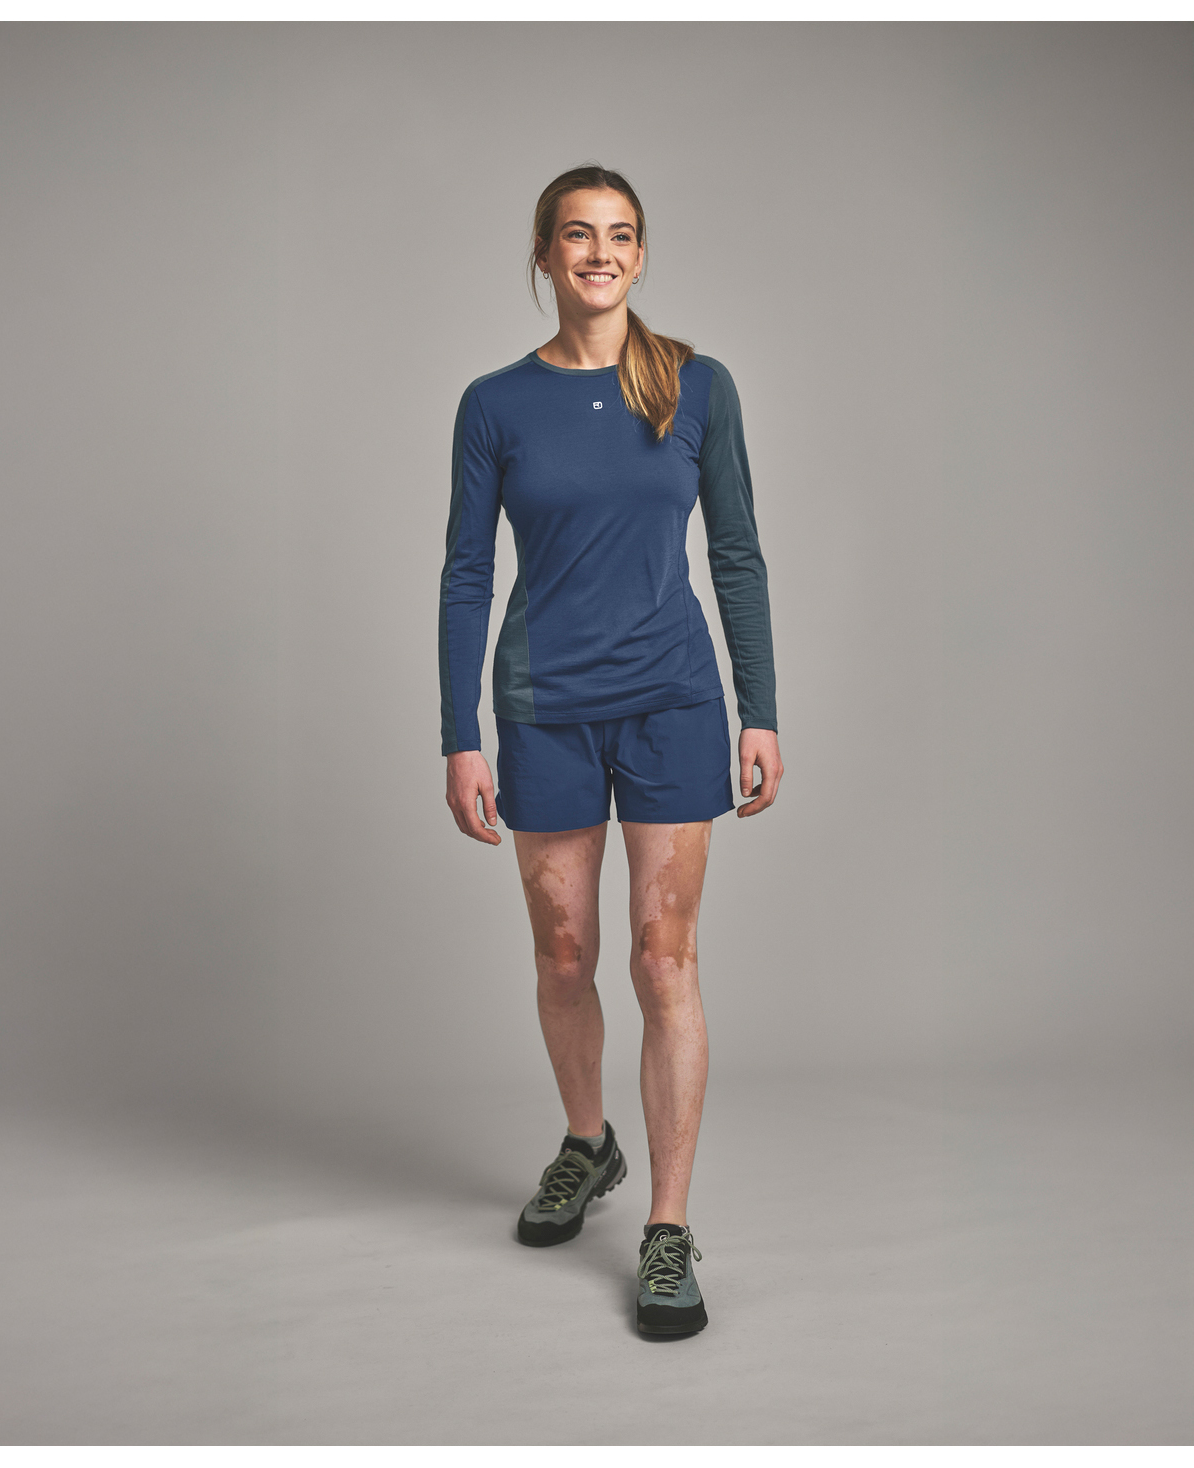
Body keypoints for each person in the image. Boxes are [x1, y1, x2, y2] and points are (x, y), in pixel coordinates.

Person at [438, 164, 783, 1336]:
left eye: (620, 235)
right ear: (543, 255)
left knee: (662, 959)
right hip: (543, 705)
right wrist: (458, 734)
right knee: (564, 952)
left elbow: (735, 551)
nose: (599, 253)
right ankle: (589, 1144)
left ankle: (668, 1227)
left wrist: (758, 707)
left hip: (671, 702)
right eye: (577, 235)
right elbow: (466, 572)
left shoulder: (694, 384)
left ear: (640, 255)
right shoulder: (495, 403)